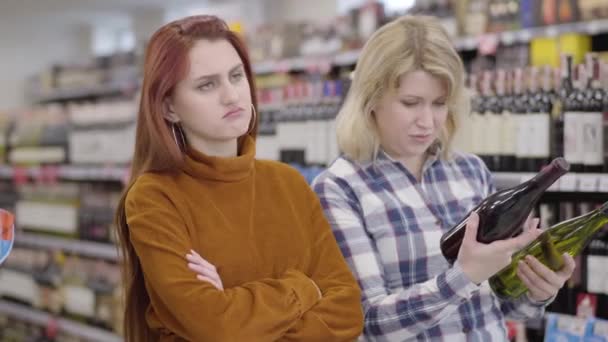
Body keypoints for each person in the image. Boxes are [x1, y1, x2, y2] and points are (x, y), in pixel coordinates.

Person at [312, 15, 575, 341]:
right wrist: (464, 276)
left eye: (439, 104)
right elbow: (369, 321)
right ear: (371, 99)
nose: (427, 121)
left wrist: (535, 290)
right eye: (411, 103)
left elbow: (499, 306)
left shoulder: (470, 171)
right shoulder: (339, 188)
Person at [115, 15, 363, 341]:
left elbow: (348, 311)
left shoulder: (289, 184)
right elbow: (214, 324)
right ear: (168, 108)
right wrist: (304, 288)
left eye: (236, 76)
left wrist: (237, 308)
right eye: (207, 85)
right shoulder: (153, 199)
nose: (231, 96)